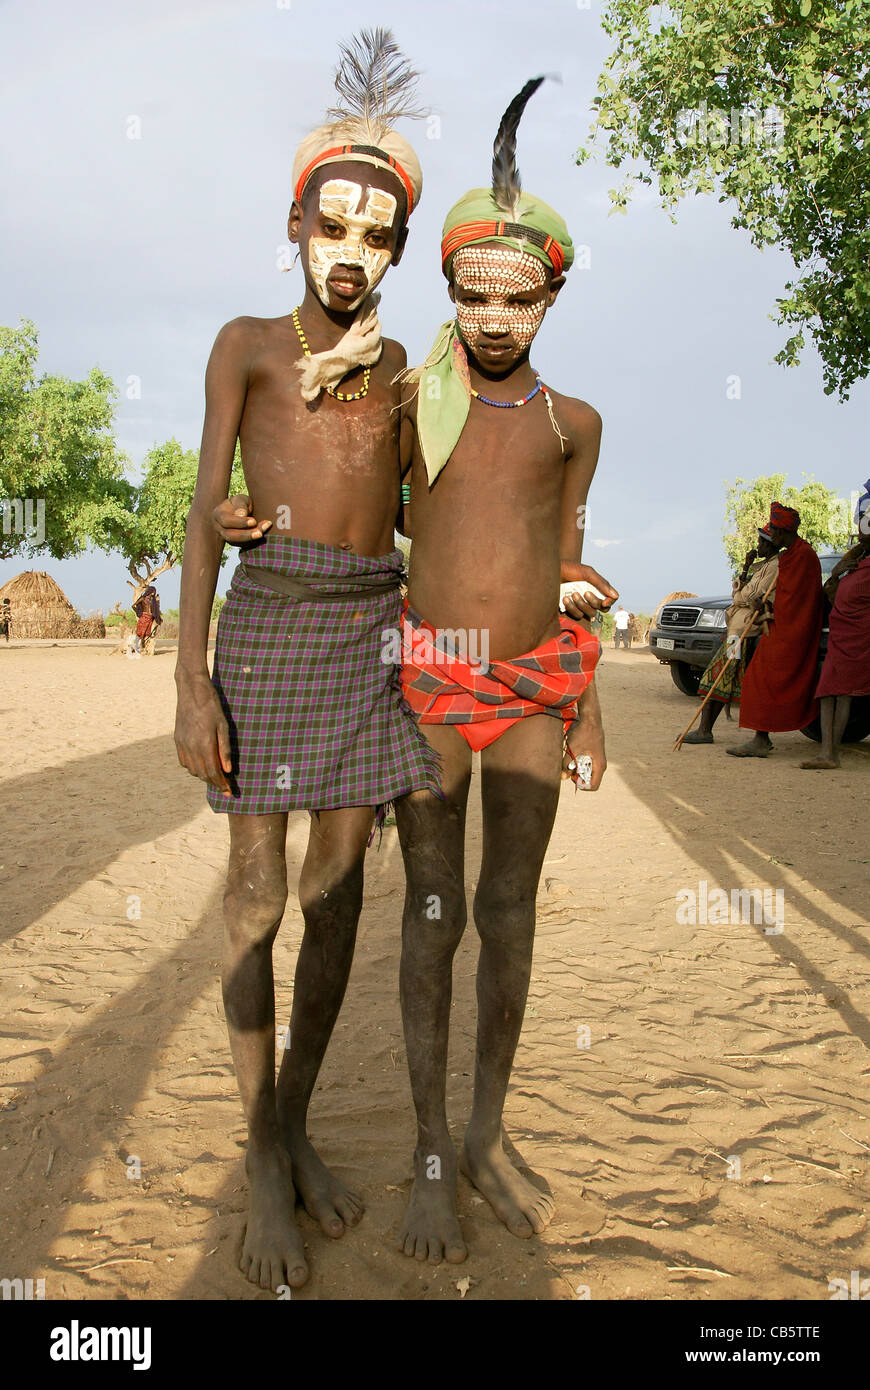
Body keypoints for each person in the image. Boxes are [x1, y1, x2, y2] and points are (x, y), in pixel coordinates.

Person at [173, 30, 437, 1294]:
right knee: (257, 899)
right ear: (295, 223)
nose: (352, 251)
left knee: (337, 903)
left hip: (368, 630)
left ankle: (292, 1124)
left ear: (394, 252)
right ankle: (262, 1155)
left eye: (377, 236)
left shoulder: (405, 373)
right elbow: (202, 507)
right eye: (332, 223)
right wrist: (186, 678)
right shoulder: (250, 344)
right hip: (270, 624)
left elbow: (430, 512)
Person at [392, 78, 613, 1263]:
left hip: (530, 688)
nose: (492, 318)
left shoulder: (573, 423)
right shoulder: (408, 408)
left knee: (508, 913)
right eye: (473, 295)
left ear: (551, 295)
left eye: (517, 298)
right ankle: (430, 1153)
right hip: (428, 686)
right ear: (450, 291)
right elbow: (370, 536)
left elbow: (567, 567)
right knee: (432, 919)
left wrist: (582, 711)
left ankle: (483, 1129)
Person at [728, 502, 823, 758]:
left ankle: (760, 738)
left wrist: (765, 606)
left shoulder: (803, 556)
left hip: (790, 631)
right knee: (751, 677)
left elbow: (798, 600)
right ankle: (759, 736)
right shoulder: (786, 556)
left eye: (775, 533)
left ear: (783, 533)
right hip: (764, 628)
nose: (772, 538)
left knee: (758, 678)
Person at [681, 525, 780, 745]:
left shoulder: (774, 567)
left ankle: (705, 731)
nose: (758, 546)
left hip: (745, 631)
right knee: (719, 678)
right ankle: (705, 730)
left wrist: (739, 594)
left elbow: (748, 596)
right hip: (736, 628)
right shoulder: (761, 567)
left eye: (761, 542)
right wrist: (745, 569)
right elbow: (740, 592)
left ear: (770, 544)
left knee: (718, 677)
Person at [800, 500, 870, 770]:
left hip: (858, 640)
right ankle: (828, 752)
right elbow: (830, 592)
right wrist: (840, 573)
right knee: (828, 692)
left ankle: (831, 754)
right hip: (841, 636)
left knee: (841, 693)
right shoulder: (854, 560)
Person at [130, 585, 162, 656]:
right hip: (143, 617)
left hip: (150, 618)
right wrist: (139, 613)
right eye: (153, 591)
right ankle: (135, 648)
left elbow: (155, 609)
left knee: (147, 634)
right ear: (151, 591)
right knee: (140, 633)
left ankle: (141, 648)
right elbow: (133, 605)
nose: (154, 592)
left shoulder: (152, 599)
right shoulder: (143, 598)